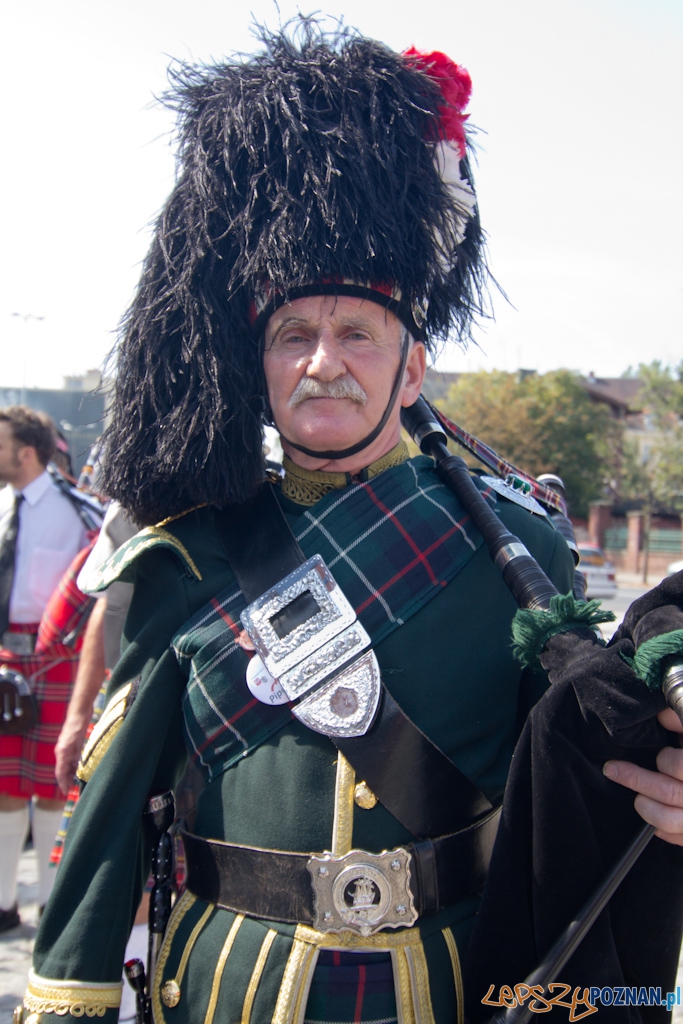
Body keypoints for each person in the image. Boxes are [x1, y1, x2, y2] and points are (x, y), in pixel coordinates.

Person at [20, 24, 683, 1024]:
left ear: (410, 368)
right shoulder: (185, 552)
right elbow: (108, 820)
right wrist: (61, 1002)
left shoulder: (520, 552)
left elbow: (579, 779)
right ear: (261, 364)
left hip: (447, 982)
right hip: (226, 986)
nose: (322, 359)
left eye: (356, 333)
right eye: (294, 334)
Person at [0, 407, 91, 931]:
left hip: (53, 659)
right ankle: (4, 903)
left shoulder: (75, 511)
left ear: (27, 451)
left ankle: (51, 901)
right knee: (6, 788)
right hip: (4, 655)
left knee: (53, 784)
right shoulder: (2, 506)